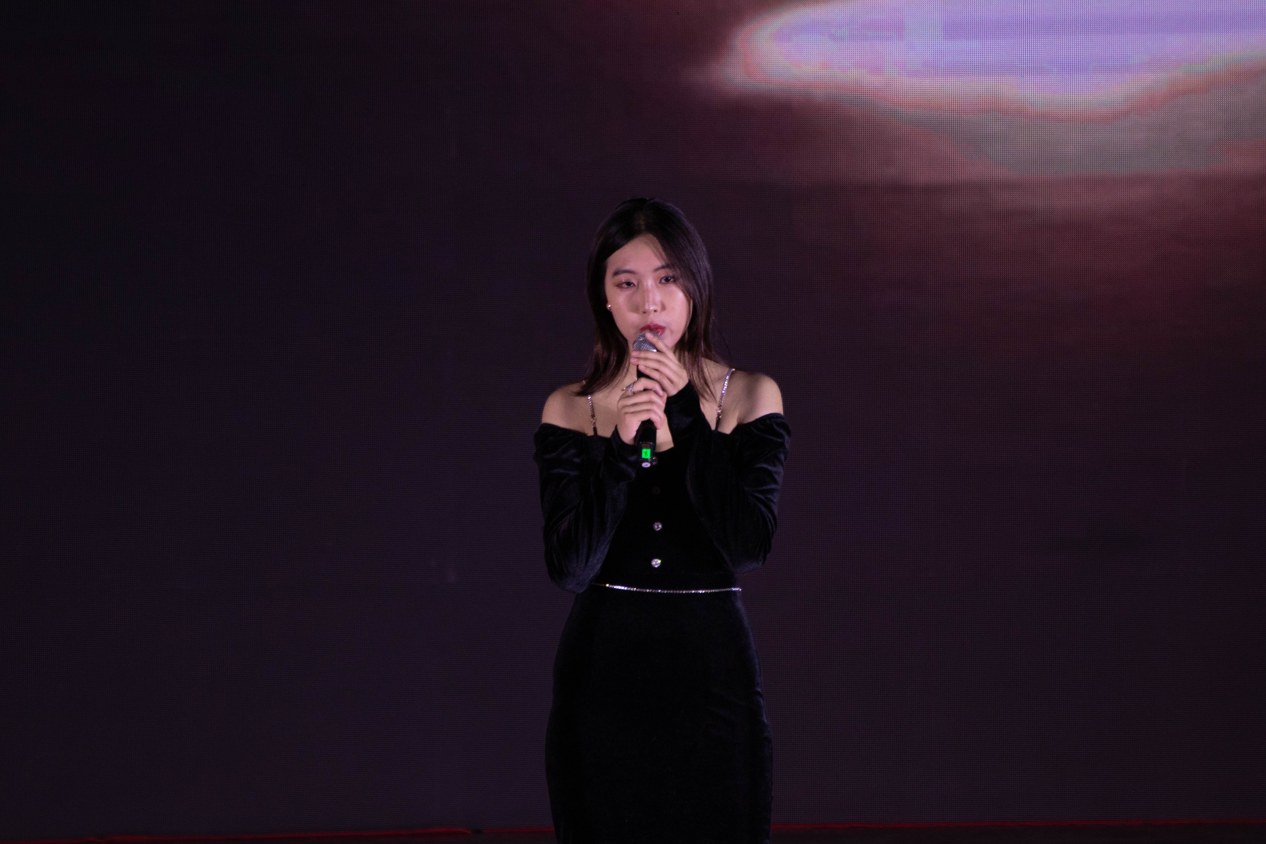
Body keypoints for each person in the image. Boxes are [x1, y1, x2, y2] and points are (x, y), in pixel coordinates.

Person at [532, 197, 791, 844]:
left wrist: (683, 415)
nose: (649, 301)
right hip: (603, 674)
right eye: (627, 283)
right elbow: (570, 568)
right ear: (606, 300)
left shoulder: (749, 396)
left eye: (668, 278)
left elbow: (747, 546)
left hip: (713, 675)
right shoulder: (572, 408)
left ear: (695, 287)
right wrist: (623, 448)